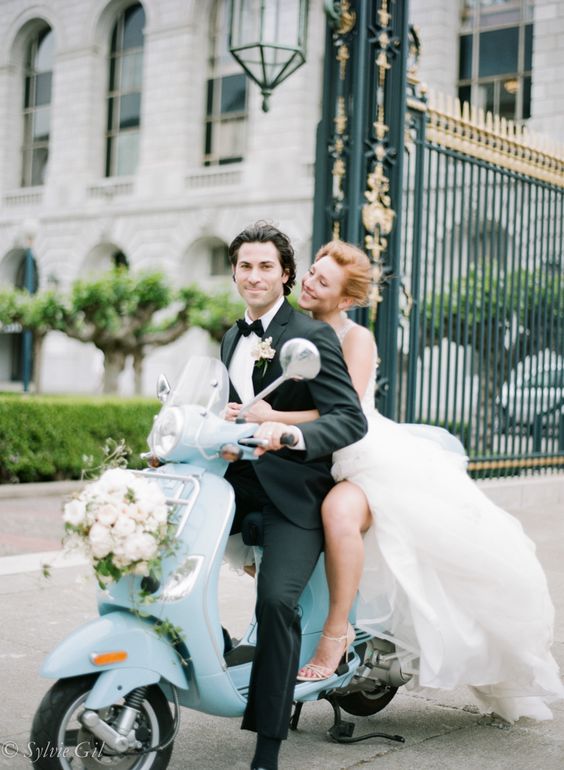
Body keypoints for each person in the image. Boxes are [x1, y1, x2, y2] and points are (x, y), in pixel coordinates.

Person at [231, 238, 564, 724]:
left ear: (345, 300)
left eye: (323, 281)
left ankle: (337, 635)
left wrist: (269, 417)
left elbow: (347, 411)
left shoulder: (354, 338)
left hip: (359, 457)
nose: (308, 281)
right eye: (311, 273)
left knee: (338, 513)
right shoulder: (281, 329)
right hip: (304, 454)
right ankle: (284, 624)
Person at [220, 223, 367, 770]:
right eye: (244, 266)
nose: (253, 276)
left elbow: (349, 419)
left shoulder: (310, 334)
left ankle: (267, 746)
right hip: (236, 485)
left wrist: (291, 433)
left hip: (292, 494)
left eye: (265, 266)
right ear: (234, 272)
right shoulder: (232, 336)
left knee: (276, 601)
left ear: (285, 273)